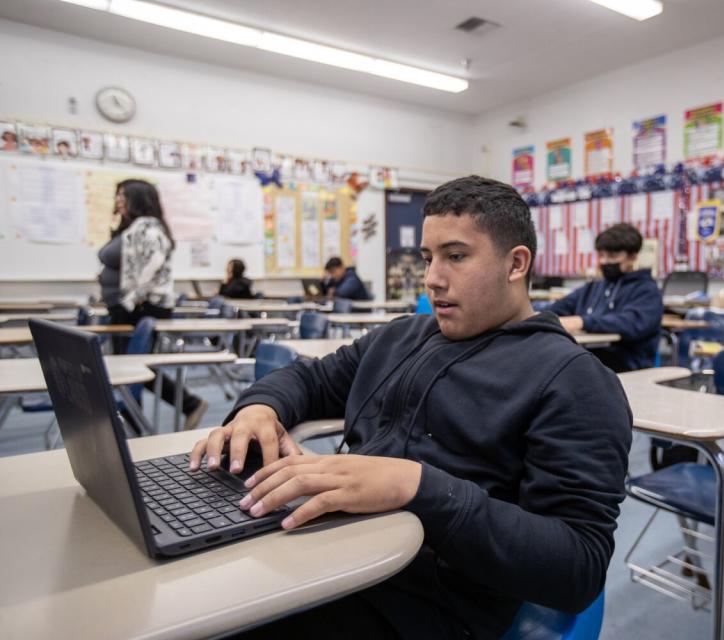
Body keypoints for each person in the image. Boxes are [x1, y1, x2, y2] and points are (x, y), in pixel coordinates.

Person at [189, 175, 632, 640]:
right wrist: (259, 408)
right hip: (326, 556)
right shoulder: (401, 336)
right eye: (428, 258)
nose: (433, 278)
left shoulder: (575, 381)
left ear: (515, 263)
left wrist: (417, 487)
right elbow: (310, 379)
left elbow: (578, 567)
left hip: (418, 605)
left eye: (456, 256)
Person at [97, 179, 208, 429]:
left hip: (140, 308)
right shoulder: (132, 227)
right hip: (129, 307)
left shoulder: (149, 229)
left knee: (134, 367)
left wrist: (130, 300)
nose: (118, 200)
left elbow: (150, 269)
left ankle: (188, 403)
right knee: (130, 368)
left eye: (123, 195)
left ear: (137, 198)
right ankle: (133, 421)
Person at [545, 223, 662, 372]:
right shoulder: (594, 287)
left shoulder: (647, 290)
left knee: (564, 367)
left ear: (632, 256)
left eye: (613, 256)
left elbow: (630, 322)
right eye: (601, 255)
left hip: (627, 363)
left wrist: (582, 322)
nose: (604, 262)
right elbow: (559, 307)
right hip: (590, 355)